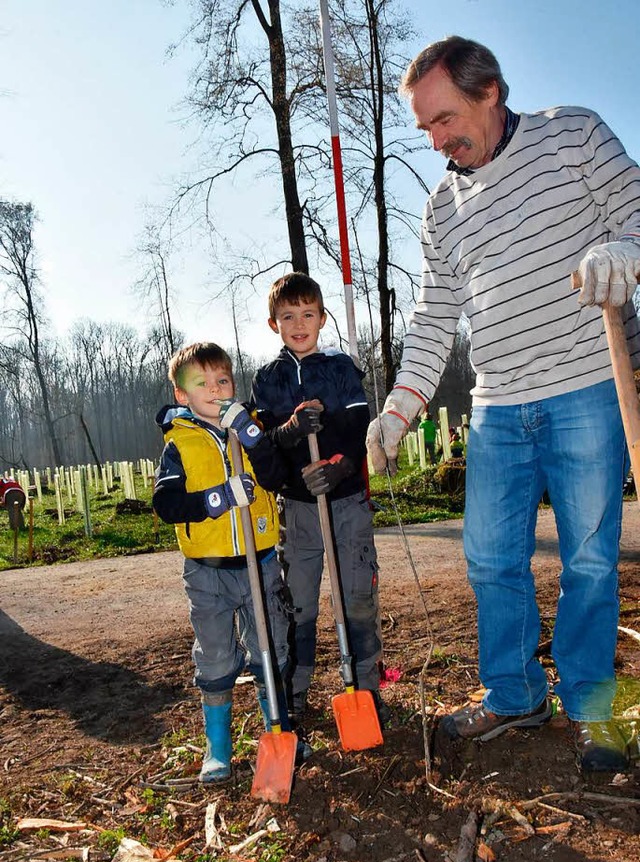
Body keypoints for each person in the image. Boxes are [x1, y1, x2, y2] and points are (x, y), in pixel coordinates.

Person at [366, 36, 640, 773]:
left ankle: (591, 706)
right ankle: (514, 692)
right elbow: (431, 319)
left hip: (588, 385)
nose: (437, 140)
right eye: (425, 128)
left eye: (445, 118)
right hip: (496, 407)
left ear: (491, 92)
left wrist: (625, 253)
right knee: (490, 559)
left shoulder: (574, 134)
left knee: (587, 558)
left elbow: (639, 212)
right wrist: (398, 409)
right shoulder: (441, 209)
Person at [152, 342, 308, 784]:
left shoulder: (248, 429)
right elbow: (166, 503)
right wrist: (217, 499)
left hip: (259, 563)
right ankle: (218, 750)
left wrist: (251, 434)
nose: (215, 389)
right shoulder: (179, 443)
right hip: (208, 572)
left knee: (270, 649)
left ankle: (279, 730)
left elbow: (277, 475)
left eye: (222, 380)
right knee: (217, 658)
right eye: (202, 383)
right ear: (183, 397)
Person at [250, 272, 388, 729]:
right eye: (287, 316)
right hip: (299, 511)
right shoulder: (267, 381)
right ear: (274, 324)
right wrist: (289, 432)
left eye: (307, 314)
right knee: (299, 605)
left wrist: (342, 465)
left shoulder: (341, 368)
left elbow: (358, 429)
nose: (298, 324)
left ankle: (365, 686)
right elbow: (264, 444)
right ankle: (296, 689)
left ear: (323, 318)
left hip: (346, 504)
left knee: (357, 599)